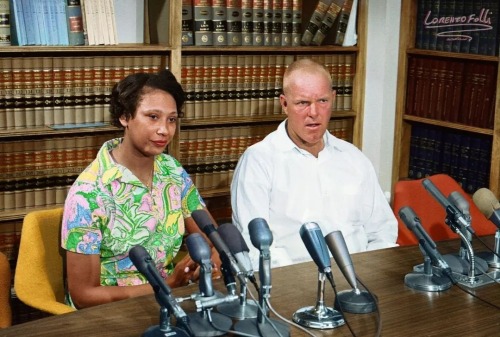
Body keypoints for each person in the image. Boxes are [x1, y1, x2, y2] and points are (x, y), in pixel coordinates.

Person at [61, 69, 221, 309]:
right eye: (153, 117)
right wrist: (168, 284)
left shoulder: (172, 170)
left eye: (171, 119)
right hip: (110, 312)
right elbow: (84, 295)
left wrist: (214, 267)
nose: (164, 130)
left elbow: (214, 238)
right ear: (125, 116)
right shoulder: (88, 193)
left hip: (173, 299)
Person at [231, 58, 398, 268]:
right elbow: (256, 247)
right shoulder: (258, 160)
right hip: (293, 285)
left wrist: (368, 276)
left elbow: (382, 231)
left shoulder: (354, 158)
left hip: (360, 279)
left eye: (322, 101)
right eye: (302, 103)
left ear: (333, 99)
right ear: (284, 104)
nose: (314, 113)